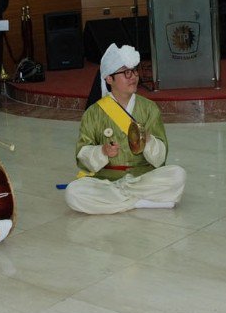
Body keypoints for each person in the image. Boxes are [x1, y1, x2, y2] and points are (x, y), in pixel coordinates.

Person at [65, 44, 186, 214]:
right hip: (106, 180)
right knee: (73, 193)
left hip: (142, 177)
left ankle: (119, 201)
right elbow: (82, 157)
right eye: (126, 73)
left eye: (134, 71)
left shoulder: (149, 108)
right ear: (109, 78)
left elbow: (161, 159)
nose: (133, 77)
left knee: (177, 175)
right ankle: (140, 202)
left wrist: (149, 140)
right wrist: (102, 152)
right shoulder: (93, 113)